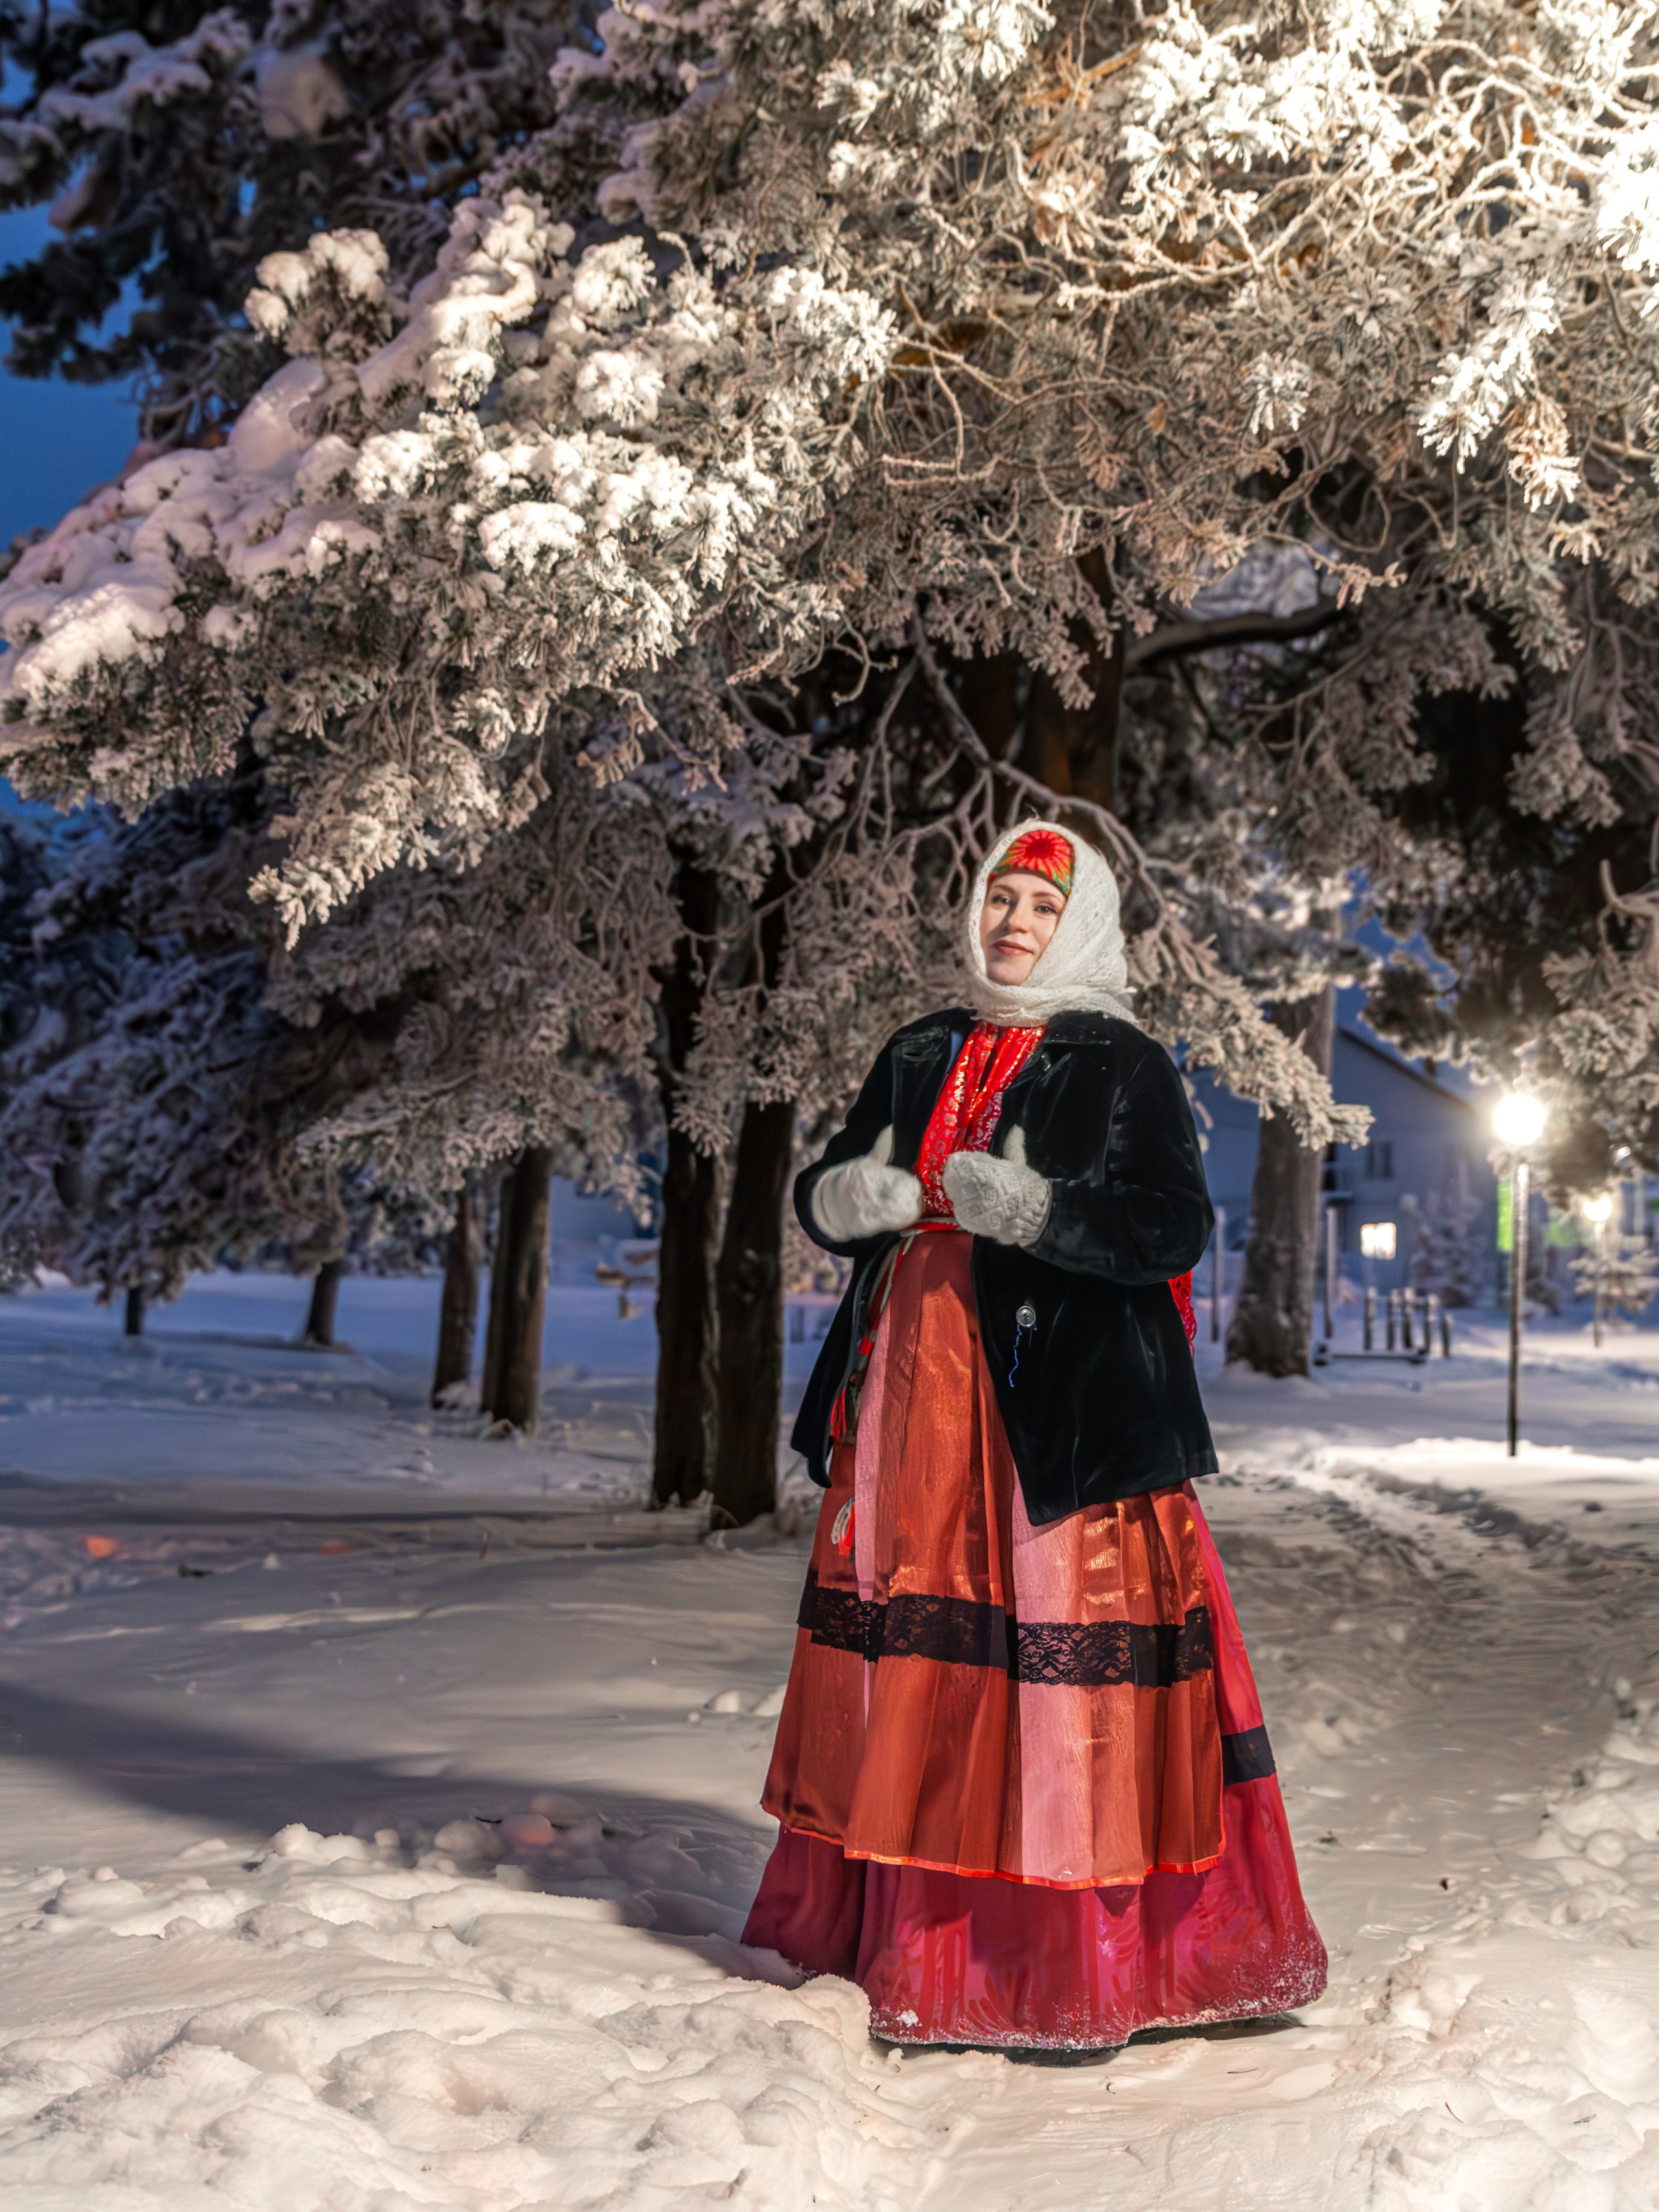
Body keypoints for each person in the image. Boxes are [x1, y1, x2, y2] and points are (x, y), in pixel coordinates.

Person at [741, 819, 1327, 2051]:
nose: (1012, 920)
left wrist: (1044, 1210)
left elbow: (1171, 1227)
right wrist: (851, 1200)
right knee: (921, 1663)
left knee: (1058, 1681)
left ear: (1085, 925)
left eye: (1039, 907)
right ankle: (914, 1944)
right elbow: (831, 1187)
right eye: (999, 897)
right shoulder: (920, 1049)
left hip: (1062, 1421)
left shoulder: (1122, 1063)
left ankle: (1068, 1962)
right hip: (915, 1404)